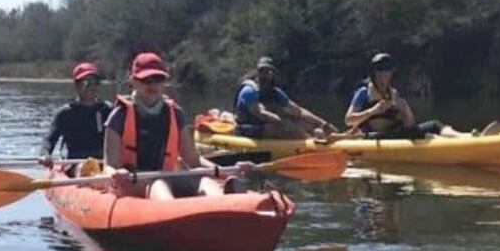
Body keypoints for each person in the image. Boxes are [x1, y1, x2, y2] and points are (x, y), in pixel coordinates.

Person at [104, 52, 251, 200]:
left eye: (158, 79)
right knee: (158, 184)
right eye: (146, 80)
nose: (152, 85)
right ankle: (172, 215)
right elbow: (110, 166)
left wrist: (226, 171)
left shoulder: (175, 113)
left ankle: (225, 208)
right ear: (134, 81)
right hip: (134, 181)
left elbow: (193, 161)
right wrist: (115, 173)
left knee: (204, 181)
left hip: (168, 176)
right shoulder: (119, 116)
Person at [344, 52, 500, 139]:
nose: (383, 74)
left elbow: (410, 123)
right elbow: (348, 120)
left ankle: (465, 138)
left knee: (434, 125)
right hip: (375, 137)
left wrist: (405, 110)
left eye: (387, 70)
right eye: (380, 70)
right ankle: (452, 145)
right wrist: (372, 111)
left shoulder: (394, 94)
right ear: (374, 73)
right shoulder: (363, 93)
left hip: (397, 133)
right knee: (418, 133)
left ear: (392, 72)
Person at [234, 56, 337, 139]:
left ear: (273, 74)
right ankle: (311, 143)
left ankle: (324, 136)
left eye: (269, 72)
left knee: (303, 123)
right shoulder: (249, 91)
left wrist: (323, 124)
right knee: (282, 127)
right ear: (257, 72)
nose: (265, 75)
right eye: (262, 71)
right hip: (246, 128)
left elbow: (298, 111)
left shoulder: (275, 92)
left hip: (266, 126)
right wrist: (285, 123)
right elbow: (260, 113)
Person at [38, 62, 113, 166]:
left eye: (95, 82)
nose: (91, 87)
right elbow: (50, 139)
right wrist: (45, 154)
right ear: (77, 86)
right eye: (86, 83)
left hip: (103, 164)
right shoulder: (65, 113)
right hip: (74, 164)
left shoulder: (108, 110)